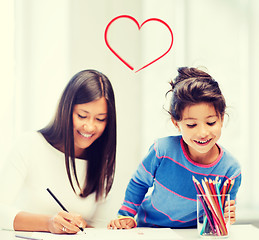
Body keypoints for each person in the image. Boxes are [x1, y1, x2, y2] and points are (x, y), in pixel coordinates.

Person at [108, 67, 241, 229]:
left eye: (211, 122)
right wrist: (126, 215)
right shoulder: (162, 150)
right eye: (191, 125)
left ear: (221, 118)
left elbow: (219, 219)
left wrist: (225, 217)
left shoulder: (231, 170)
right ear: (175, 123)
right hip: (149, 228)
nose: (203, 133)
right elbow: (139, 182)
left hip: (192, 234)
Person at [0, 69, 117, 233]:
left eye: (100, 119)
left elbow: (99, 228)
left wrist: (81, 225)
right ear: (66, 110)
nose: (90, 126)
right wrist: (48, 223)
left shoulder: (101, 164)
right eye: (82, 116)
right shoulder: (29, 144)